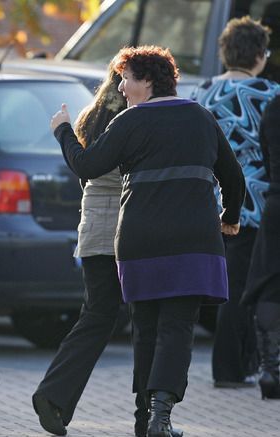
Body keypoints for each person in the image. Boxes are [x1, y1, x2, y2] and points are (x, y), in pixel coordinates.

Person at [47, 46, 245, 437]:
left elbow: (87, 165)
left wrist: (63, 131)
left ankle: (147, 421)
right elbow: (233, 178)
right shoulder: (201, 117)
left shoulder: (130, 122)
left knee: (147, 329)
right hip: (193, 238)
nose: (120, 86)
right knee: (177, 326)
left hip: (139, 240)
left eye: (127, 78)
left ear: (149, 81)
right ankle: (159, 416)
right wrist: (230, 220)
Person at [192, 16, 280, 388]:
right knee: (245, 288)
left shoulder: (202, 92)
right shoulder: (270, 94)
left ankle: (233, 366)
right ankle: (230, 370)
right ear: (260, 54)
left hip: (211, 202)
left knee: (222, 284)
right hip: (253, 203)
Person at [242, 94, 280, 400]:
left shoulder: (275, 105)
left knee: (270, 284)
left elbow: (267, 156)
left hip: (276, 203)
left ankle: (271, 368)